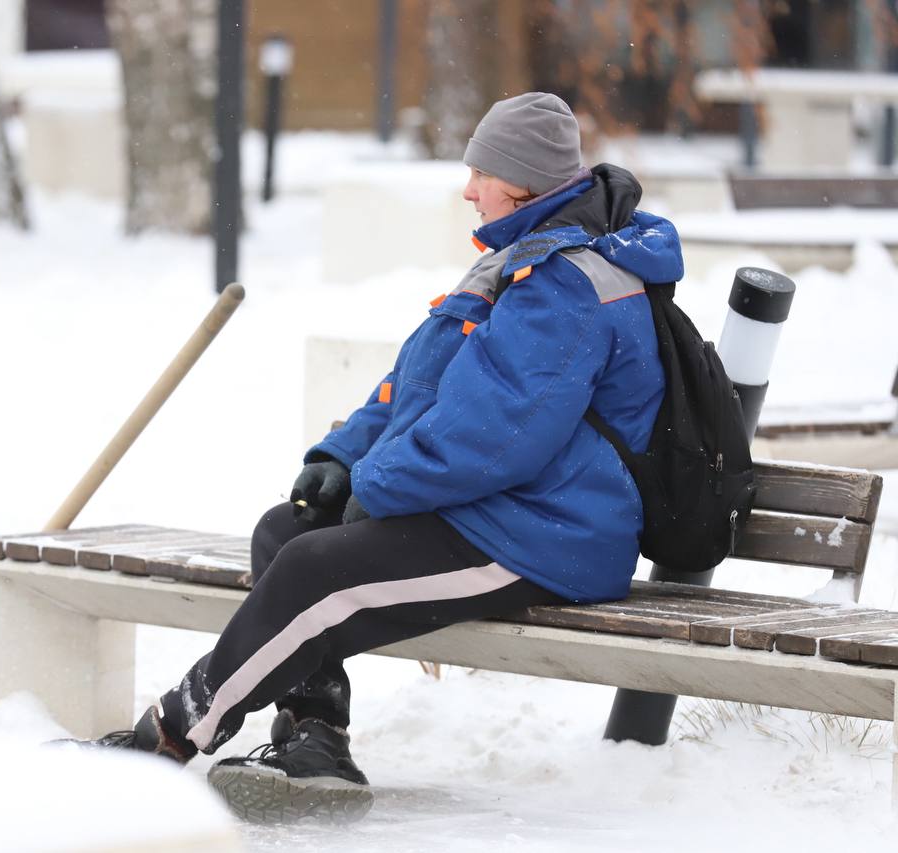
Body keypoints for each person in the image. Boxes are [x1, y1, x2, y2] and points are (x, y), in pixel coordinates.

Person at [75, 92, 682, 824]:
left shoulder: (566, 286)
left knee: (313, 571)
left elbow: (496, 437)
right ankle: (314, 741)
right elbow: (415, 387)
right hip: (496, 512)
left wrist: (381, 485)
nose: (468, 189)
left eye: (481, 172)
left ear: (521, 182)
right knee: (287, 533)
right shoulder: (515, 259)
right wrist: (343, 458)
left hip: (548, 534)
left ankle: (170, 736)